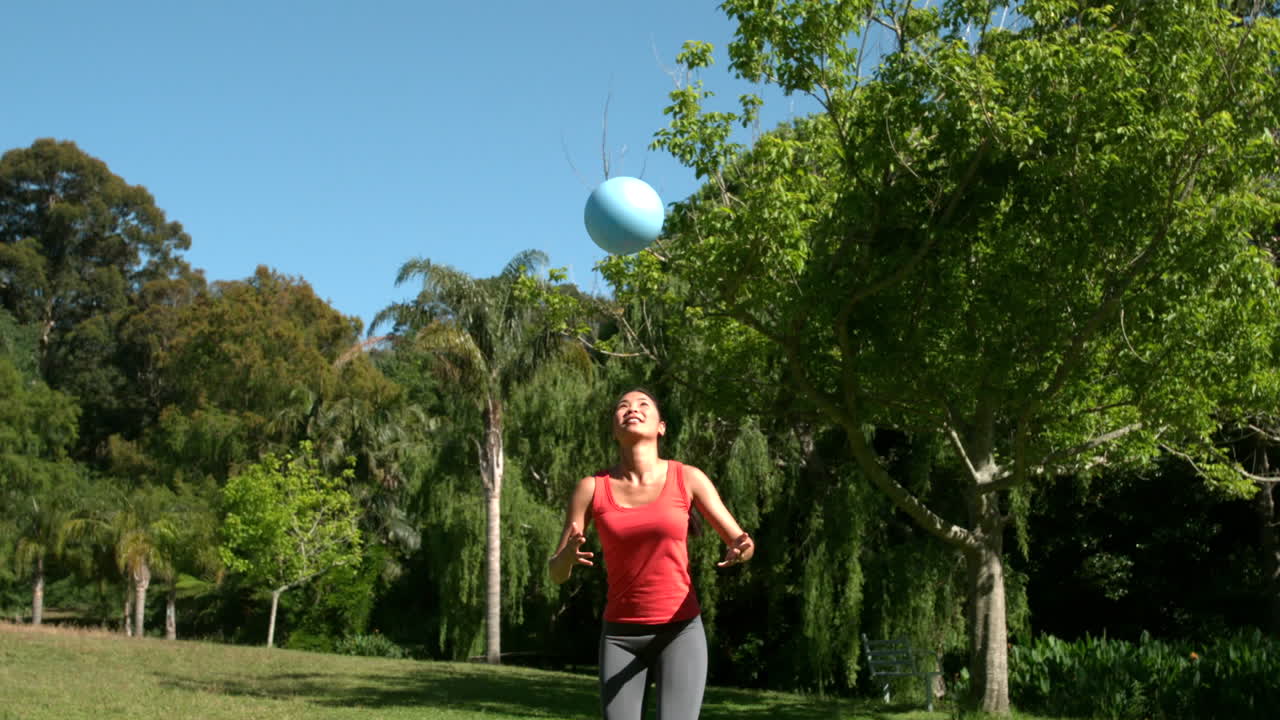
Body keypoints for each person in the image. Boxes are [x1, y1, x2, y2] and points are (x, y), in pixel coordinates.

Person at [549, 389, 755, 720]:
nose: (632, 409)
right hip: (620, 637)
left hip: (680, 631)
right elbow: (556, 573)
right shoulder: (592, 487)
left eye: (643, 405)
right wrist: (566, 558)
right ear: (614, 428)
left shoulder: (687, 478)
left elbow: (742, 540)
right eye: (622, 407)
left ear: (661, 426)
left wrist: (740, 550)